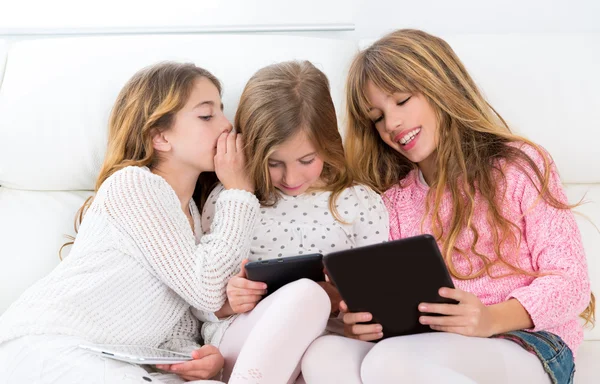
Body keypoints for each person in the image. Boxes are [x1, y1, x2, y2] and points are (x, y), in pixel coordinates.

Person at [301, 29, 594, 384]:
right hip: (430, 347)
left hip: (529, 342)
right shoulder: (392, 202)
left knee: (390, 362)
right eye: (377, 117)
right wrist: (364, 324)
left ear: (440, 86)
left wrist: (491, 318)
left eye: (402, 100)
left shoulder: (519, 166)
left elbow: (572, 283)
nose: (391, 124)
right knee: (324, 354)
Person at [0, 62, 258, 383]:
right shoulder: (134, 185)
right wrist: (240, 191)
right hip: (49, 345)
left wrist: (196, 360)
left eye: (222, 111)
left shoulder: (190, 213)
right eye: (207, 115)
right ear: (160, 136)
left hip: (110, 359)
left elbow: (170, 323)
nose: (226, 126)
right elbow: (206, 290)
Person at [200, 60, 389, 383]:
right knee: (307, 294)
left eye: (306, 160)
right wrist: (228, 301)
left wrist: (344, 304)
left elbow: (379, 300)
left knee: (324, 352)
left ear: (328, 145)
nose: (290, 177)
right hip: (245, 341)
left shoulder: (359, 202)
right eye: (273, 163)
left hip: (325, 346)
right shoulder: (230, 198)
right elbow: (198, 299)